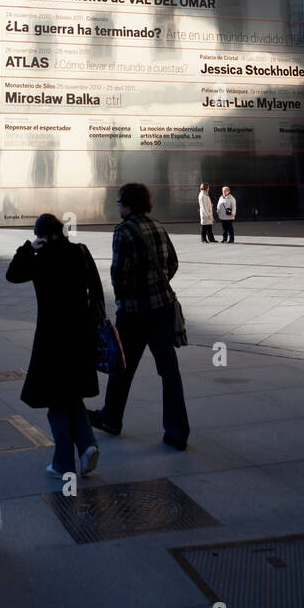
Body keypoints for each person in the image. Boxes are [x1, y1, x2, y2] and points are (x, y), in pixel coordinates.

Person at [88, 183, 190, 450]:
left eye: (120, 202)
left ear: (129, 204)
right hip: (162, 310)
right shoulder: (158, 225)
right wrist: (157, 283)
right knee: (169, 372)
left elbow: (118, 275)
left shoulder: (123, 232)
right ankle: (177, 432)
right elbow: (173, 263)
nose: (118, 207)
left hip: (134, 313)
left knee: (122, 367)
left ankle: (111, 418)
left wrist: (127, 296)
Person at [6, 213, 103, 480]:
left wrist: (28, 249)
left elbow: (12, 275)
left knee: (56, 400)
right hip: (81, 334)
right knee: (72, 394)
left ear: (42, 236)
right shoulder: (80, 252)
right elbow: (96, 288)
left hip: (52, 337)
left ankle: (63, 463)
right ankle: (87, 445)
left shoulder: (41, 258)